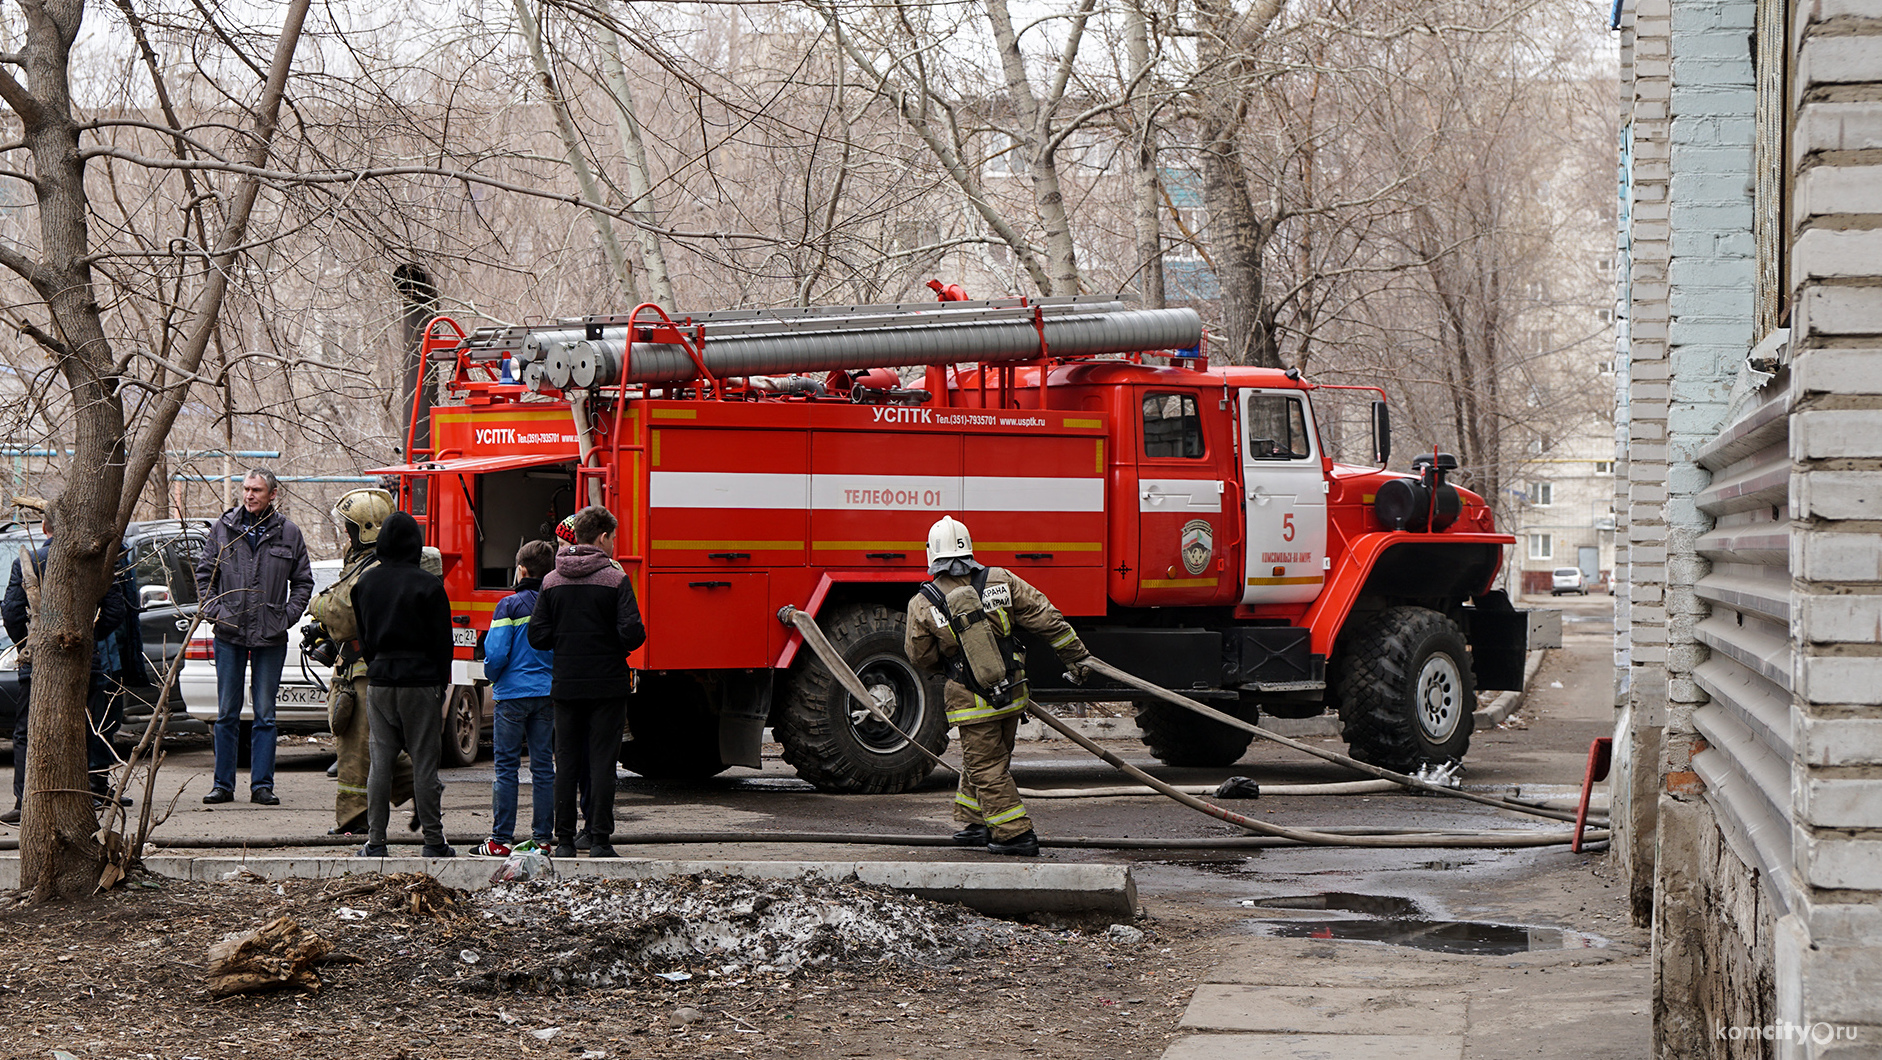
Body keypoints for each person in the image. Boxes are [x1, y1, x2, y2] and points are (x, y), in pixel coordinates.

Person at [905, 516, 1092, 857]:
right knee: (990, 759)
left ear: (931, 554)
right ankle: (977, 823)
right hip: (1013, 692)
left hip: (972, 700)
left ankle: (1015, 835)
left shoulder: (923, 602)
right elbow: (1045, 616)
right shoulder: (1001, 580)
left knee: (984, 766)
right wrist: (1076, 656)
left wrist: (951, 663)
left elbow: (920, 655)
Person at [527, 505, 645, 859]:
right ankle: (599, 839)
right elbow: (633, 633)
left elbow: (538, 636)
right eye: (614, 538)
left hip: (565, 685)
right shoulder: (615, 578)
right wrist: (610, 643)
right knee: (602, 763)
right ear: (603, 537)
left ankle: (563, 841)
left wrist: (566, 641)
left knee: (566, 762)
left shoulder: (551, 581)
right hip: (607, 685)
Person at [194, 468, 314, 806]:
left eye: (257, 490)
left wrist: (286, 617)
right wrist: (216, 612)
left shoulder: (288, 533)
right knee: (227, 713)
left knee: (265, 714)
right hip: (229, 633)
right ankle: (223, 785)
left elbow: (303, 582)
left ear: (272, 494)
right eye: (246, 489)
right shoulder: (224, 528)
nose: (249, 495)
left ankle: (262, 786)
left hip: (270, 636)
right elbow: (205, 576)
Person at [0, 510, 130, 823]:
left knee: (27, 733)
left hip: (39, 663)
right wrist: (86, 637)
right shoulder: (93, 563)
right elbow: (115, 611)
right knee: (82, 730)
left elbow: (13, 613)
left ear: (44, 527)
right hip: (85, 662)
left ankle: (26, 801)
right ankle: (77, 801)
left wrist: (32, 643)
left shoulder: (30, 561)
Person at [309, 488, 414, 834]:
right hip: (360, 668)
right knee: (375, 742)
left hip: (364, 672)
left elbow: (342, 612)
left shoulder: (372, 568)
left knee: (356, 746)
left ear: (366, 529)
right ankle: (417, 783)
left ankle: (355, 818)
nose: (345, 532)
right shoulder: (365, 562)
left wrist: (316, 607)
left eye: (350, 526)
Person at [351, 511, 454, 857]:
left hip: (380, 682)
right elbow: (443, 643)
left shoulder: (364, 584)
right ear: (416, 544)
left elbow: (364, 640)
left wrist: (378, 664)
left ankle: (376, 841)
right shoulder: (429, 586)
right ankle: (434, 841)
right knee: (425, 764)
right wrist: (441, 683)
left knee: (380, 763)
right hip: (421, 683)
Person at [475, 539, 557, 858]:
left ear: (521, 570)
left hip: (511, 696)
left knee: (506, 767)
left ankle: (500, 840)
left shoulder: (508, 606)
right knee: (543, 767)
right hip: (547, 694)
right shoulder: (554, 604)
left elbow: (495, 654)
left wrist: (494, 677)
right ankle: (543, 840)